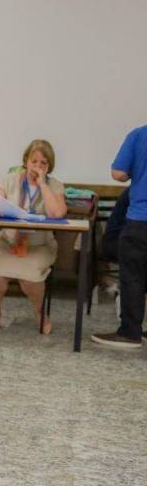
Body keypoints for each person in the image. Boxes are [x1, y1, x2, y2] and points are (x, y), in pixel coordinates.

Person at [0, 139, 67, 334]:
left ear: (49, 166)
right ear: (26, 161)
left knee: (29, 278)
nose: (37, 166)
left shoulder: (55, 186)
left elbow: (56, 214)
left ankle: (39, 313)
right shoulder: (9, 180)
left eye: (43, 163)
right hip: (8, 242)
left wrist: (42, 184)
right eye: (33, 161)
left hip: (39, 246)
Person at [93, 125, 147, 348]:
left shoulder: (139, 134)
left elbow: (119, 173)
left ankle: (130, 332)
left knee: (132, 275)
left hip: (141, 219)